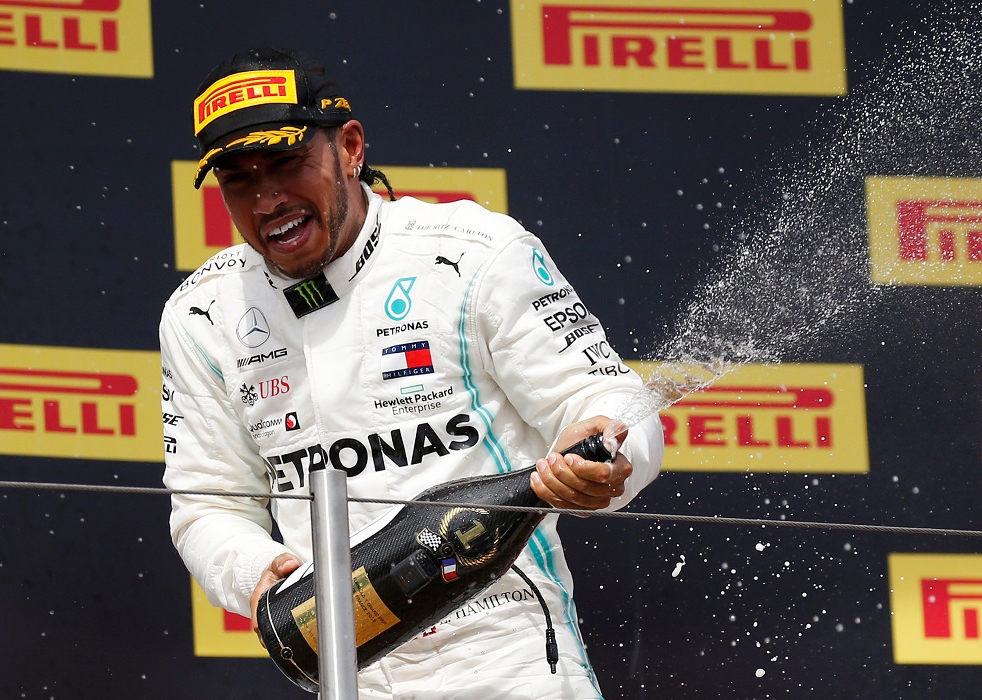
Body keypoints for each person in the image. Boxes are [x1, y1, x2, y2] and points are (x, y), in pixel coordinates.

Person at [161, 47, 664, 699]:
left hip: (507, 654)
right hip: (349, 667)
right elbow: (206, 503)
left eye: (286, 163)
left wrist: (608, 453)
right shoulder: (202, 314)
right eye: (237, 178)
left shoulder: (473, 251)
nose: (267, 198)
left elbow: (608, 398)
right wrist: (265, 577)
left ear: (349, 147)